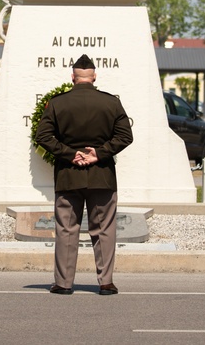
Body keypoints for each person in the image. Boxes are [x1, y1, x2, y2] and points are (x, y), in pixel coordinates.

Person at [34, 53, 133, 295]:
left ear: (73, 77)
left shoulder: (58, 103)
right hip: (102, 176)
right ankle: (106, 282)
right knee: (105, 230)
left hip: (69, 175)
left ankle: (64, 283)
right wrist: (98, 153)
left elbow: (43, 136)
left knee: (67, 230)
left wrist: (70, 154)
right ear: (94, 76)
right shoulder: (111, 103)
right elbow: (125, 136)